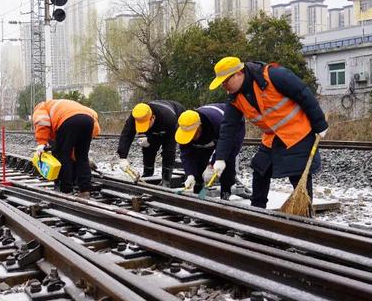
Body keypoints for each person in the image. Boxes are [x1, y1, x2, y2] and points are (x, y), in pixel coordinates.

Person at [210, 56, 328, 209]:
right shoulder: (235, 99)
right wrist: (220, 158)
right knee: (260, 170)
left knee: (297, 173)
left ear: (238, 74)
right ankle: (257, 211)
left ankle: (304, 211)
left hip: (298, 133)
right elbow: (228, 128)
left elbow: (303, 93)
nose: (224, 86)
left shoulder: (273, 75)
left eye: (225, 81)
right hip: (273, 137)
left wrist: (320, 124)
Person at [32, 99, 101, 197]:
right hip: (89, 121)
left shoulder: (40, 107)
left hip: (67, 121)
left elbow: (42, 121)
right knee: (82, 157)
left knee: (63, 156)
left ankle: (66, 190)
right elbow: (95, 127)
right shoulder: (65, 105)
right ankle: (85, 190)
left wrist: (41, 142)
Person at [175, 104, 245, 197]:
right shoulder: (183, 127)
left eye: (193, 135)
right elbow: (186, 154)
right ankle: (199, 195)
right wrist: (190, 174)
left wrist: (214, 164)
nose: (191, 139)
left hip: (234, 127)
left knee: (226, 164)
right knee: (199, 164)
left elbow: (229, 146)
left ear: (199, 126)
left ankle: (225, 195)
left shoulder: (219, 123)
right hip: (209, 134)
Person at [116, 100, 184, 187]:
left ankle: (166, 180)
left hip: (175, 116)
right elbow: (127, 134)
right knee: (148, 148)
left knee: (168, 152)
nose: (145, 128)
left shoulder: (169, 118)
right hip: (158, 124)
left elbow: (169, 147)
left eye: (146, 124)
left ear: (153, 118)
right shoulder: (136, 115)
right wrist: (123, 157)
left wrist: (150, 140)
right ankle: (148, 175)